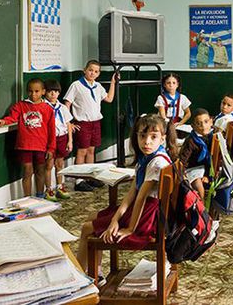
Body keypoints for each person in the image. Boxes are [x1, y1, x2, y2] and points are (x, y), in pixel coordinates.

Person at [76, 114, 177, 275]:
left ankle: (79, 277)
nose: (147, 142)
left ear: (162, 138)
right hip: (142, 210)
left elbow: (141, 198)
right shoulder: (145, 159)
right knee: (92, 216)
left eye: (153, 137)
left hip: (147, 218)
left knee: (86, 228)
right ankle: (97, 273)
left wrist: (130, 229)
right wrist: (115, 220)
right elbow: (131, 194)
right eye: (142, 136)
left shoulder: (157, 162)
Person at [0, 78, 56, 197]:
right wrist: (4, 121)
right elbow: (12, 117)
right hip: (25, 145)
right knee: (27, 171)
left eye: (37, 91)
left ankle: (40, 195)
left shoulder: (48, 109)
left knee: (40, 171)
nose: (33, 94)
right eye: (30, 91)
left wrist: (51, 148)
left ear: (43, 91)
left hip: (41, 146)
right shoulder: (21, 106)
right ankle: (27, 198)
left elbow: (51, 131)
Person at [63, 60, 117, 191]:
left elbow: (109, 99)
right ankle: (79, 180)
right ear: (85, 70)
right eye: (90, 70)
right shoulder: (76, 85)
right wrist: (69, 122)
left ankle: (89, 177)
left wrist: (113, 83)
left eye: (96, 71)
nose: (93, 73)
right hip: (82, 123)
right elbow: (67, 103)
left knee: (91, 150)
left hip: (95, 123)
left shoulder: (98, 86)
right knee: (82, 151)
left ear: (99, 74)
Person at [43, 79, 74, 201]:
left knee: (60, 164)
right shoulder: (43, 107)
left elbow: (68, 124)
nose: (53, 94)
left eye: (56, 92)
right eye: (50, 91)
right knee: (49, 164)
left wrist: (70, 141)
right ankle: (48, 189)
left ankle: (60, 187)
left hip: (62, 138)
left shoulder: (62, 107)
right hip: (49, 139)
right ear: (45, 92)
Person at [178, 109, 214, 200]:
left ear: (211, 122)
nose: (203, 126)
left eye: (206, 122)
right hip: (191, 168)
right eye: (199, 123)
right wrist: (183, 177)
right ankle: (201, 205)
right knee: (198, 184)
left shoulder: (212, 137)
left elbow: (211, 159)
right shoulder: (191, 141)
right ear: (193, 126)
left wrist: (207, 175)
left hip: (205, 168)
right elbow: (182, 161)